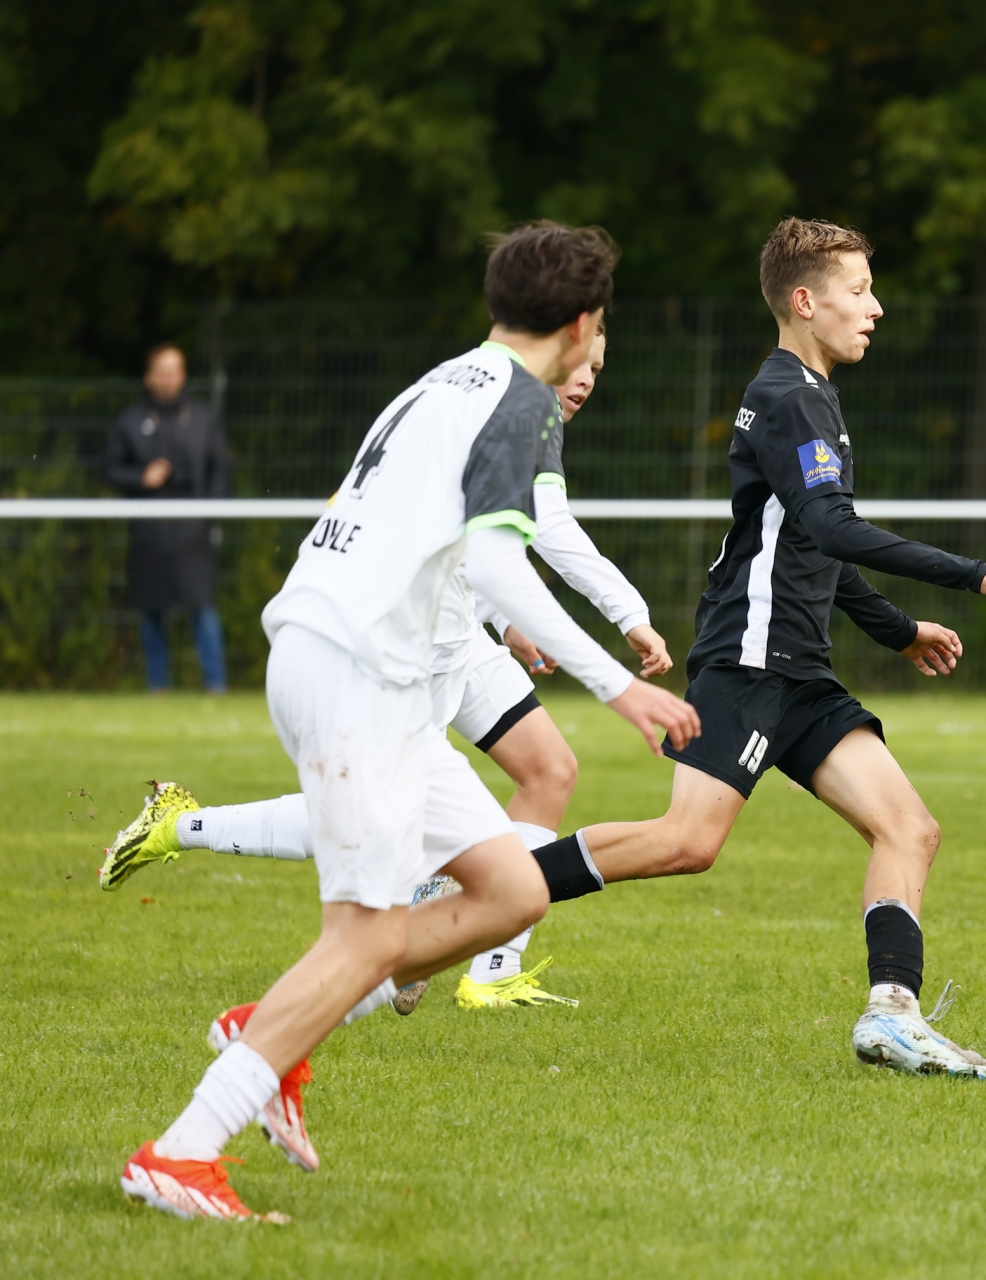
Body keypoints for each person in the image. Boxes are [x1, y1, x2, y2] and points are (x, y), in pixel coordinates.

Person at [116, 222, 700, 1223]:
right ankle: (181, 1150)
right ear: (581, 322)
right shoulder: (521, 402)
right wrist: (619, 685)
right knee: (368, 934)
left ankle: (273, 1030)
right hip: (357, 673)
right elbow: (501, 558)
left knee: (512, 888)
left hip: (352, 663)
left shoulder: (439, 382)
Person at [520, 217, 986, 1079]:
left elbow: (813, 545)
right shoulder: (788, 397)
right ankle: (488, 884)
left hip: (800, 672)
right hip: (748, 660)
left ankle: (892, 1015)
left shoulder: (811, 393)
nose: (875, 308)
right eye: (859, 291)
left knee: (909, 828)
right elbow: (832, 526)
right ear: (806, 301)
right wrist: (976, 575)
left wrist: (898, 630)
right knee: (686, 843)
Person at [99, 323, 673, 1014]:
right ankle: (185, 826)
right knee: (370, 816)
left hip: (457, 638)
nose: (584, 380)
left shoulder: (468, 387)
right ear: (560, 335)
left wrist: (504, 621)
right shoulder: (522, 399)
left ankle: (491, 969)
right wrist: (629, 617)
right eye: (583, 361)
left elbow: (472, 534)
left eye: (598, 372)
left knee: (550, 768)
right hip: (407, 649)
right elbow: (548, 527)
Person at [102, 342, 232, 693]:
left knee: (203, 609)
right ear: (149, 377)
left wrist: (212, 513)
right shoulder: (131, 421)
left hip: (194, 531)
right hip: (149, 531)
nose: (169, 378)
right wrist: (141, 477)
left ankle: (216, 686)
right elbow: (110, 468)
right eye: (162, 372)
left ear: (183, 375)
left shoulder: (203, 419)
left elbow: (221, 470)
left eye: (174, 371)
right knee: (152, 610)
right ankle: (158, 686)